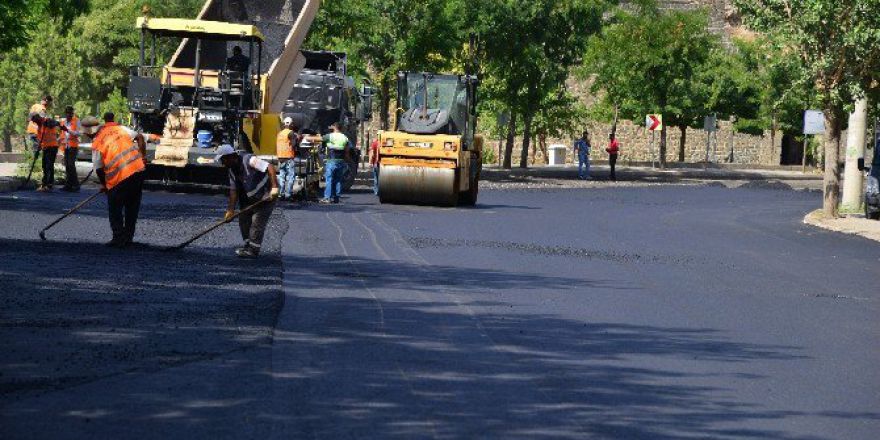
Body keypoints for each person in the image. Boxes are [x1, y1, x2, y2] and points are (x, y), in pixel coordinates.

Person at [82, 113, 148, 248]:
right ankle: (128, 238)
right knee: (132, 207)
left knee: (115, 207)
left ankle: (118, 238)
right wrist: (142, 156)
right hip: (138, 171)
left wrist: (105, 186)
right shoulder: (120, 129)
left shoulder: (97, 143)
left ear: (89, 133)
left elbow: (99, 169)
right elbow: (140, 137)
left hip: (121, 177)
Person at [217, 144, 280, 258]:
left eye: (223, 160)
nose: (222, 163)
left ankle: (253, 250)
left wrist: (274, 187)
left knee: (257, 222)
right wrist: (230, 211)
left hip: (267, 195)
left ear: (230, 157)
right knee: (244, 219)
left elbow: (269, 167)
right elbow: (233, 191)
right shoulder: (232, 170)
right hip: (250, 198)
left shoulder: (249, 160)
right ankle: (247, 245)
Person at [315, 123, 349, 204]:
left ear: (334, 127)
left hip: (332, 161)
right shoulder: (345, 137)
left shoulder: (330, 136)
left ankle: (327, 198)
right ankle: (336, 198)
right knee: (338, 180)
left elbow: (319, 139)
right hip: (341, 161)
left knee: (329, 179)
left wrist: (307, 137)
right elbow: (347, 151)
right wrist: (346, 161)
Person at [33, 113, 62, 192]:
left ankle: (48, 184)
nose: (35, 122)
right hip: (45, 148)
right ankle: (46, 184)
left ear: (38, 118)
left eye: (35, 120)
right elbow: (40, 141)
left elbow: (57, 123)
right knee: (44, 165)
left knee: (49, 165)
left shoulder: (47, 121)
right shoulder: (39, 128)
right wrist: (37, 150)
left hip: (52, 146)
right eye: (34, 121)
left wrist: (50, 123)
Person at [276, 117, 300, 200]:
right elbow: (294, 145)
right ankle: (288, 194)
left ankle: (280, 194)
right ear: (291, 124)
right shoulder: (291, 133)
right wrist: (297, 140)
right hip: (288, 157)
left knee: (281, 176)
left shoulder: (280, 133)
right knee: (290, 176)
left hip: (280, 158)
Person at [60, 106, 82, 192]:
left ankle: (76, 185)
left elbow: (79, 134)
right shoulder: (63, 122)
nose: (69, 115)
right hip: (66, 146)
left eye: (71, 113)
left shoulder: (77, 121)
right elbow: (62, 134)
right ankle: (68, 185)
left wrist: (68, 130)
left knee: (71, 165)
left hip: (73, 146)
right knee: (67, 166)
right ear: (66, 113)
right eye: (68, 113)